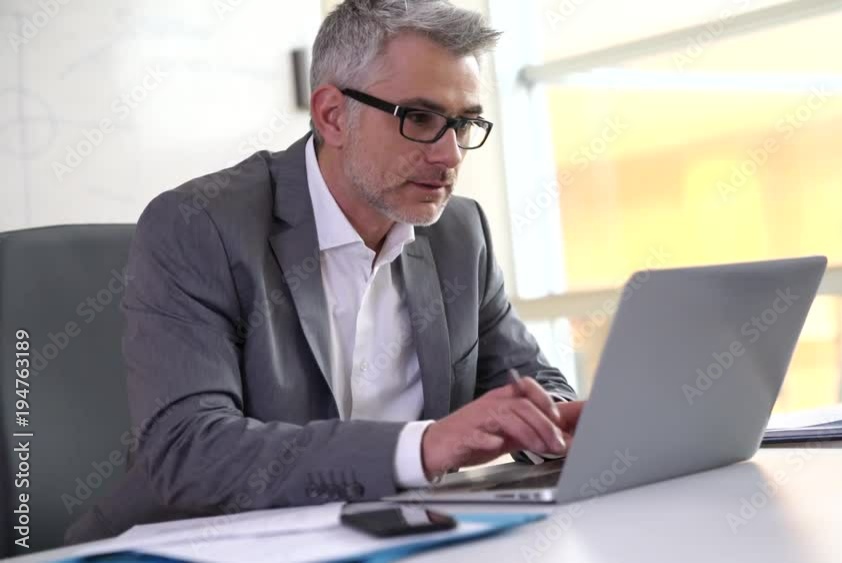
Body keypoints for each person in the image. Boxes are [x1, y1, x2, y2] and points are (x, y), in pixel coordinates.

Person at [66, 0, 583, 544]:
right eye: (420, 119)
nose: (450, 155)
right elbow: (190, 450)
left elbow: (525, 383)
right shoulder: (199, 226)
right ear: (333, 115)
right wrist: (422, 447)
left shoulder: (460, 232)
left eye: (465, 123)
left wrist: (559, 424)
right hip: (199, 545)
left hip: (386, 539)